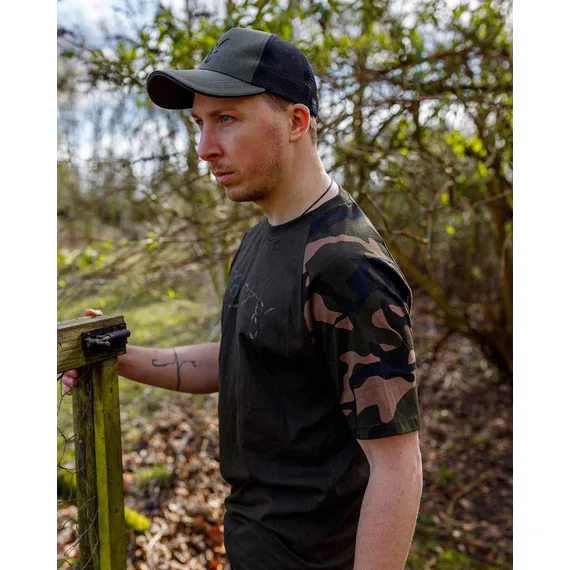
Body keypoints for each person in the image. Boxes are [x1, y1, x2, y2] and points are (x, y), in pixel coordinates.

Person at [62, 27, 422, 570]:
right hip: (255, 543)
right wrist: (120, 358)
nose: (204, 148)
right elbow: (241, 355)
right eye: (199, 124)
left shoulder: (346, 266)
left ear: (296, 122)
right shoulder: (262, 235)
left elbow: (398, 468)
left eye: (226, 119)